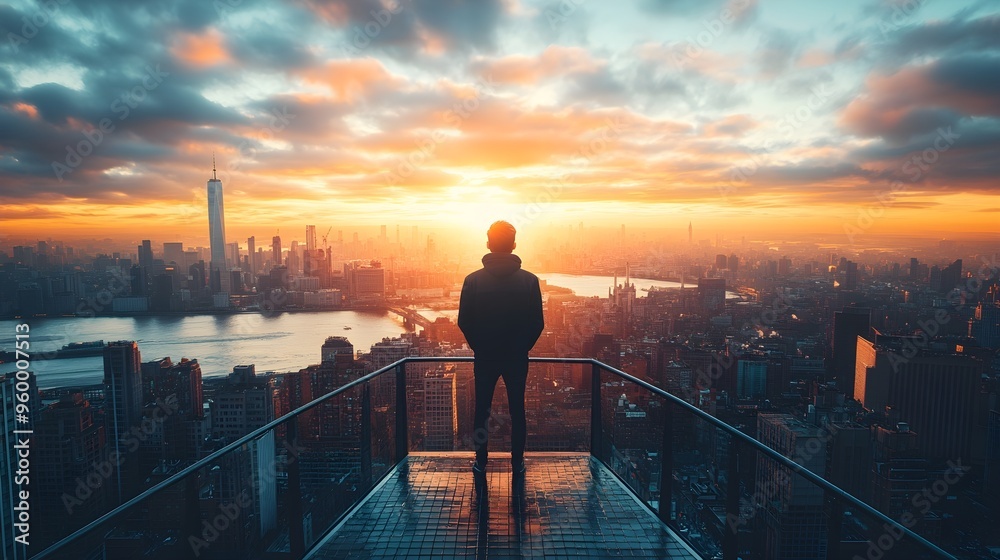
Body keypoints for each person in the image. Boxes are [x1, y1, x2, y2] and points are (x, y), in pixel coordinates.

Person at [458, 220, 544, 477]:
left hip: (485, 356)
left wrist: (480, 347)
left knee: (482, 408)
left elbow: (464, 321)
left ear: (488, 244)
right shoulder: (530, 281)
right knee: (518, 408)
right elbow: (537, 323)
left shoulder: (472, 281)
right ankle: (517, 462)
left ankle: (481, 461)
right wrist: (521, 347)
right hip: (516, 357)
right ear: (514, 245)